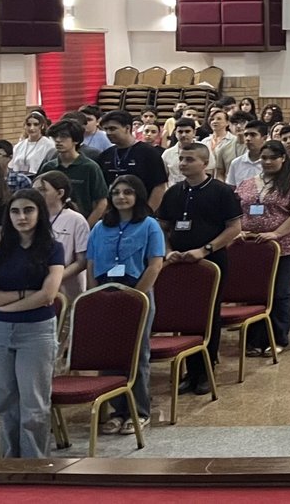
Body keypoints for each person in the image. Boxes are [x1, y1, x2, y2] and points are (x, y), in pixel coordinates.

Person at [0, 188, 64, 457]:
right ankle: (9, 464)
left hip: (36, 332)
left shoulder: (52, 249)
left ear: (39, 213)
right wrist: (24, 294)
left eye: (28, 210)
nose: (21, 217)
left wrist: (6, 305)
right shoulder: (0, 250)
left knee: (33, 405)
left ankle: (34, 465)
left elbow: (48, 295)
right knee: (5, 403)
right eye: (15, 211)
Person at [156, 144, 242, 395]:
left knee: (207, 314)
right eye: (181, 159)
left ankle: (205, 370)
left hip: (210, 261)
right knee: (184, 314)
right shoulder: (174, 192)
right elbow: (162, 226)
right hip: (179, 262)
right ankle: (189, 371)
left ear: (205, 164)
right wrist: (168, 250)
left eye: (189, 159)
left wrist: (205, 249)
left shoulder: (221, 191)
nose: (183, 163)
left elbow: (234, 228)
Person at [85, 176, 166, 435]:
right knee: (108, 354)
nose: (121, 197)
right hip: (105, 292)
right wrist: (94, 294)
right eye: (116, 192)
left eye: (128, 192)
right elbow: (91, 264)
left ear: (138, 195)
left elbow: (155, 265)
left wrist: (136, 297)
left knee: (135, 354)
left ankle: (138, 411)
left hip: (136, 293)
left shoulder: (150, 225)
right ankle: (117, 411)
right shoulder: (100, 227)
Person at [236, 140, 290, 356]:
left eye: (272, 158)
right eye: (264, 158)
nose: (267, 162)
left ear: (283, 159)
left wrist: (276, 233)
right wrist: (239, 230)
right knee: (255, 292)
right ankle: (254, 339)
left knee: (278, 292)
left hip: (285, 245)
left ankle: (278, 338)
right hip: (253, 246)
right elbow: (237, 210)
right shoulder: (248, 183)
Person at [33, 171, 90, 303]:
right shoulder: (32, 217)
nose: (36, 195)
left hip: (66, 290)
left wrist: (53, 279)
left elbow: (82, 261)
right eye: (34, 191)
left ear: (60, 193)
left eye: (42, 190)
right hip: (34, 286)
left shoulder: (76, 219)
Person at [40, 120, 109, 225]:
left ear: (76, 140)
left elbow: (102, 202)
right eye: (55, 137)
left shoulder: (90, 167)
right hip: (52, 223)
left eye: (64, 136)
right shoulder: (48, 167)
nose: (58, 140)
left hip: (82, 222)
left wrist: (86, 226)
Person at [222, 120, 268, 190]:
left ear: (264, 138)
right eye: (246, 135)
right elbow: (231, 187)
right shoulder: (236, 163)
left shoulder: (270, 163)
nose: (248, 139)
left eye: (253, 135)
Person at [10, 112, 54, 178]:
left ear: (42, 126)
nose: (32, 128)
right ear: (25, 126)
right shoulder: (19, 146)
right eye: (28, 124)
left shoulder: (48, 145)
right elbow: (12, 166)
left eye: (36, 124)